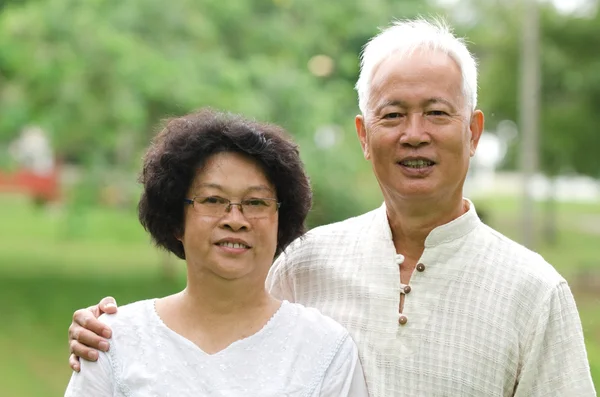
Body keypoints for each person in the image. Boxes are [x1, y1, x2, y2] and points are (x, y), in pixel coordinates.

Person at [67, 19, 597, 397]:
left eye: (436, 113)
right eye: (393, 115)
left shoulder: (534, 292)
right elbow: (223, 323)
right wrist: (110, 336)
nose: (415, 135)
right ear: (366, 136)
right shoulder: (304, 262)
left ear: (473, 131)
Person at [64, 108, 369, 396]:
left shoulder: (325, 349)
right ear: (176, 221)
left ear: (280, 220)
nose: (235, 220)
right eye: (212, 200)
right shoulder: (112, 341)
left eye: (256, 203)